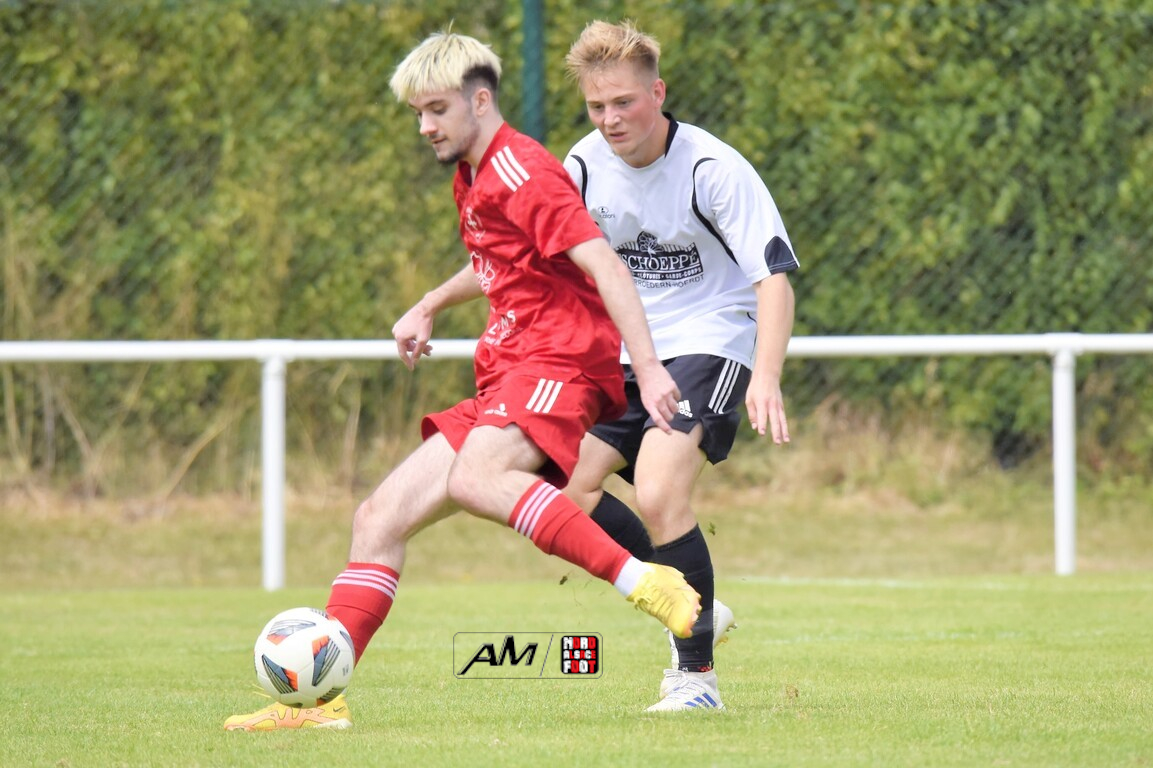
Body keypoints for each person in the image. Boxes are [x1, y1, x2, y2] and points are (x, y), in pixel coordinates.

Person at [224, 30, 702, 732]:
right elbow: (496, 265)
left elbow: (605, 264)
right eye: (418, 113)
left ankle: (646, 582)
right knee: (378, 519)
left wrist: (650, 367)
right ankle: (321, 703)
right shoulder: (474, 175)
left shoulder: (521, 169)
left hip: (560, 359)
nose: (425, 126)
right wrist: (428, 304)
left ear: (480, 102)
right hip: (509, 368)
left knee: (478, 478)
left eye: (437, 109)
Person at [560, 20, 799, 712]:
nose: (610, 119)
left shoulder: (711, 168)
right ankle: (694, 607)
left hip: (709, 338)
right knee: (566, 491)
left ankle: (696, 681)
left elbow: (773, 277)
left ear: (657, 93)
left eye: (624, 102)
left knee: (660, 491)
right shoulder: (581, 165)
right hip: (628, 349)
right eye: (596, 106)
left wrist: (765, 374)